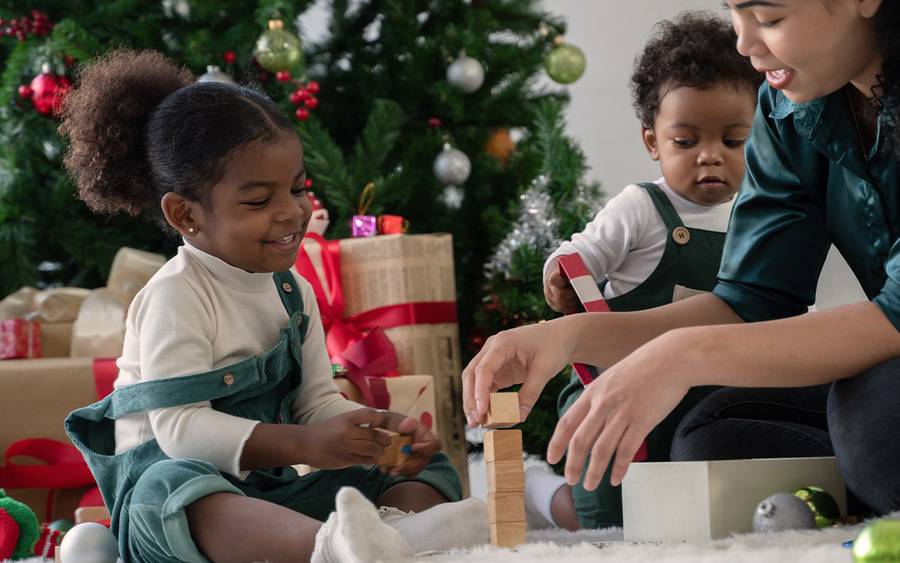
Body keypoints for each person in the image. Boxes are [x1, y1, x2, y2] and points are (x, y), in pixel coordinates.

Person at [464, 0, 900, 519]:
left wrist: (683, 356)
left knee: (871, 428)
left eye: (769, 18)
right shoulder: (788, 109)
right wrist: (568, 335)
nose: (744, 44)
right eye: (735, 13)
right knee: (707, 442)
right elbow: (750, 301)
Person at [59, 49, 486, 563]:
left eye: (299, 188)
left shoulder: (291, 292)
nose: (292, 211)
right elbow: (180, 431)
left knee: (432, 465)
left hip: (266, 495)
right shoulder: (177, 295)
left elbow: (316, 403)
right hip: (179, 504)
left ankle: (394, 535)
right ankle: (334, 548)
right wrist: (304, 445)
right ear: (185, 214)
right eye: (259, 201)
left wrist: (375, 429)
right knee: (173, 489)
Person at [529, 12, 760, 531]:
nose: (710, 157)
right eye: (686, 142)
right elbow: (577, 255)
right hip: (614, 386)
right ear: (653, 141)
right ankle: (543, 498)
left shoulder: (759, 214)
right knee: (605, 515)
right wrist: (562, 278)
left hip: (707, 390)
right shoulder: (640, 208)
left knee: (691, 506)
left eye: (733, 140)